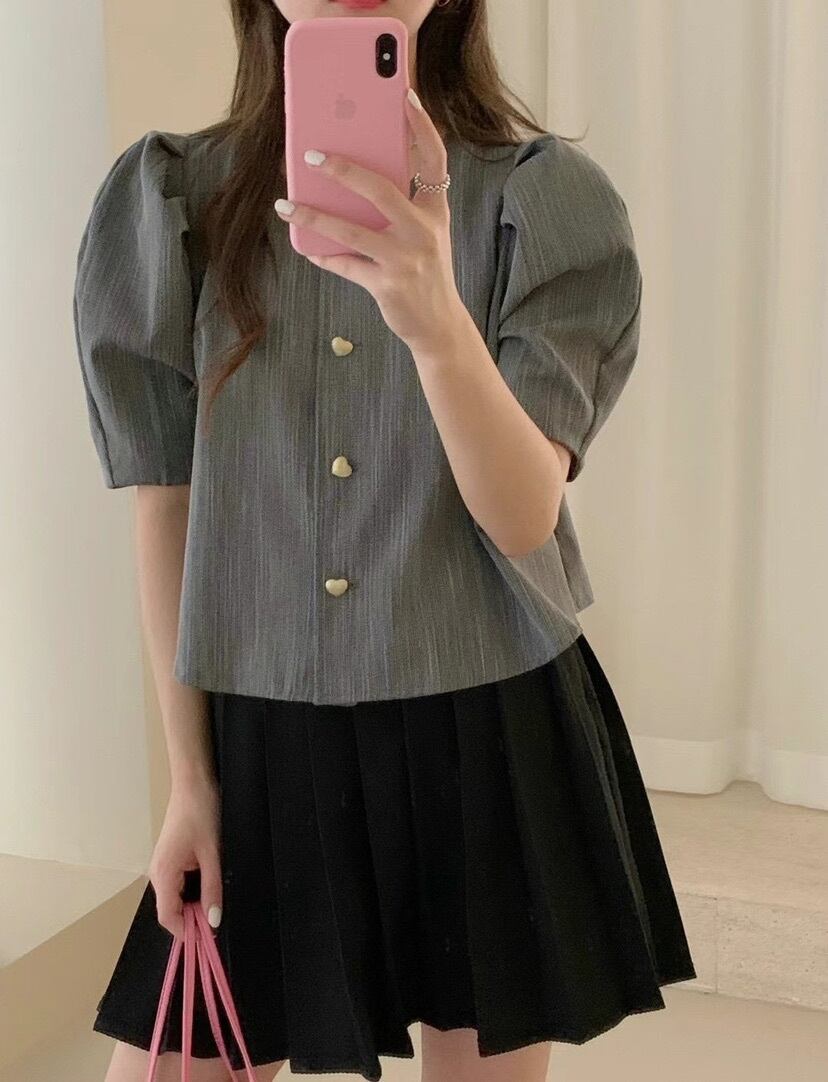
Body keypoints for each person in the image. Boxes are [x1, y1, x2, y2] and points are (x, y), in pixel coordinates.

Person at [73, 1, 696, 1079]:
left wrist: (436, 319)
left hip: (483, 726)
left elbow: (523, 515)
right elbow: (165, 506)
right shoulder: (169, 201)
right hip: (257, 733)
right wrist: (190, 778)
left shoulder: (544, 200)